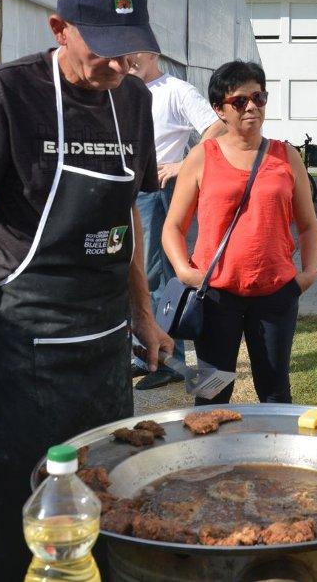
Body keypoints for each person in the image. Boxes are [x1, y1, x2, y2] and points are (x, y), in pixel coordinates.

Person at [0, 0, 174, 581]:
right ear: (59, 28)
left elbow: (127, 214)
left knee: (105, 493)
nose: (116, 66)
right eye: (103, 50)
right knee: (16, 506)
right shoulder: (4, 93)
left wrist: (144, 314)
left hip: (105, 345)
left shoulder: (132, 100)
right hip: (29, 343)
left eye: (128, 50)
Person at [163, 60, 317, 405]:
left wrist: (308, 273)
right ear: (219, 109)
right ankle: (211, 458)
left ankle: (274, 458)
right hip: (216, 295)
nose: (252, 107)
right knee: (211, 394)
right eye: (240, 101)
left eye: (259, 98)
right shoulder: (201, 157)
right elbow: (173, 226)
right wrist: (184, 271)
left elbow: (309, 225)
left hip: (276, 293)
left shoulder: (286, 156)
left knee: (275, 391)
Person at [127, 51, 226, 390]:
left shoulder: (175, 90)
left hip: (156, 193)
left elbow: (216, 128)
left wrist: (182, 166)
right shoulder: (122, 89)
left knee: (158, 276)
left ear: (154, 53)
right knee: (134, 272)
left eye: (136, 51)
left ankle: (170, 360)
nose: (128, 58)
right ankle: (145, 354)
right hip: (127, 190)